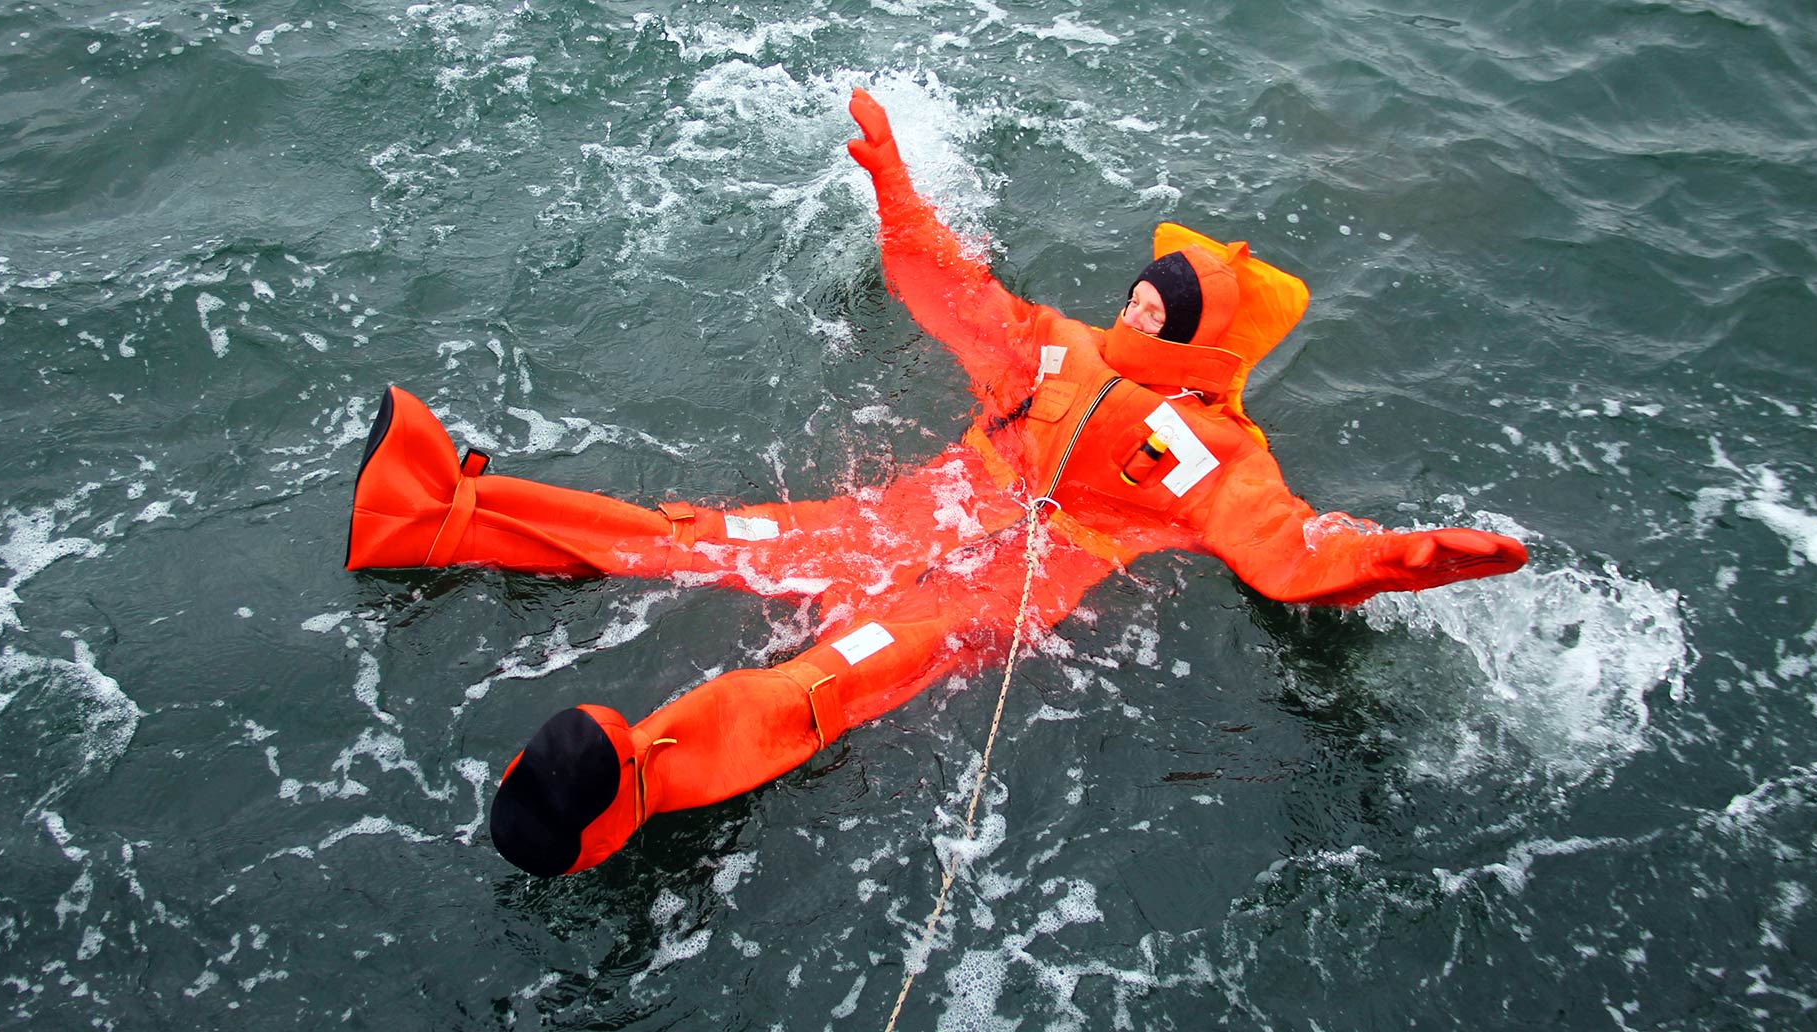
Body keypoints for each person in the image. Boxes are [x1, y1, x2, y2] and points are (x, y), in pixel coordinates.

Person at [344, 89, 1528, 877]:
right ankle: (438, 513)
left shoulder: (1225, 457)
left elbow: (1283, 547)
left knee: (828, 679)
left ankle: (619, 784)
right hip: (909, 515)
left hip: (994, 593)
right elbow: (957, 291)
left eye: (1156, 311)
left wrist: (1386, 559)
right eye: (1135, 293)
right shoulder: (1058, 347)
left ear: (1203, 347)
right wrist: (897, 195)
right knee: (706, 535)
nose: (1130, 311)